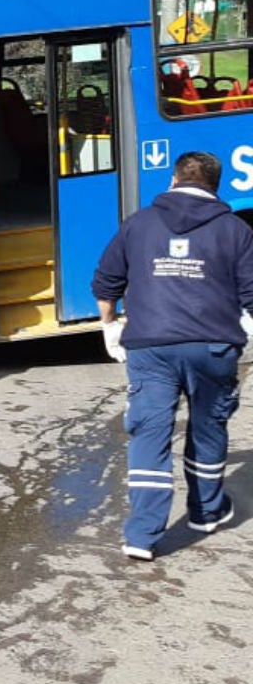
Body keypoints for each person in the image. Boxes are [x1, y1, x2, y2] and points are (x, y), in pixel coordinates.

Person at [91, 151, 253, 561]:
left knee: (149, 433)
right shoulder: (236, 230)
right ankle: (206, 512)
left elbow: (106, 282)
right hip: (213, 346)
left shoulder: (139, 223)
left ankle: (142, 536)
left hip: (151, 346)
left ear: (173, 179)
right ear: (215, 186)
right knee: (208, 427)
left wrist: (110, 326)